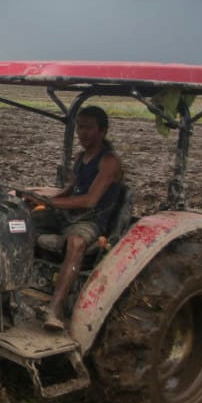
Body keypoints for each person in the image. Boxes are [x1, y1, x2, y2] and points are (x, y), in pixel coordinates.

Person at [24, 105, 124, 332]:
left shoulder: (108, 162)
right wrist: (40, 200)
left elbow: (89, 200)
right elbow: (71, 190)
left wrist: (51, 203)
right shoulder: (82, 158)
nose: (82, 132)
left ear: (103, 131)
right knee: (19, 220)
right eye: (80, 126)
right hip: (69, 215)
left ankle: (55, 309)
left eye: (88, 127)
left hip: (91, 220)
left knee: (76, 242)